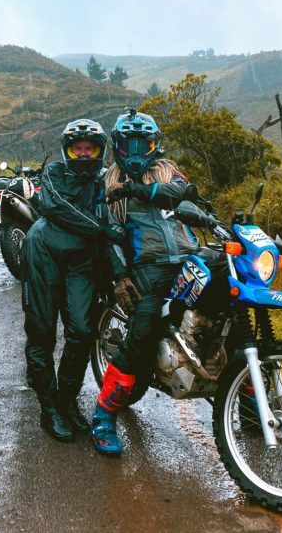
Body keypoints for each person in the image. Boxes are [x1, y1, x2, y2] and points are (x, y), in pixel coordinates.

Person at [90, 107, 199, 456]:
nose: (136, 153)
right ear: (117, 146)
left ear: (155, 144)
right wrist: (120, 276)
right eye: (129, 145)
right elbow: (108, 234)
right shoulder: (108, 182)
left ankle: (247, 402)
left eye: (144, 144)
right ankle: (104, 413)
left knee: (228, 309)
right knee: (144, 328)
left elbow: (181, 193)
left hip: (189, 257)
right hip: (148, 267)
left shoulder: (168, 172)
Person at [21, 118, 109, 442]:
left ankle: (66, 400)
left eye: (90, 148)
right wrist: (100, 229)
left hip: (82, 261)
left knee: (83, 331)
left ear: (99, 151)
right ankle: (49, 407)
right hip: (43, 251)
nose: (84, 154)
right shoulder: (55, 173)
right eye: (78, 148)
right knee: (42, 331)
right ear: (68, 150)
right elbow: (55, 205)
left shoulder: (104, 181)